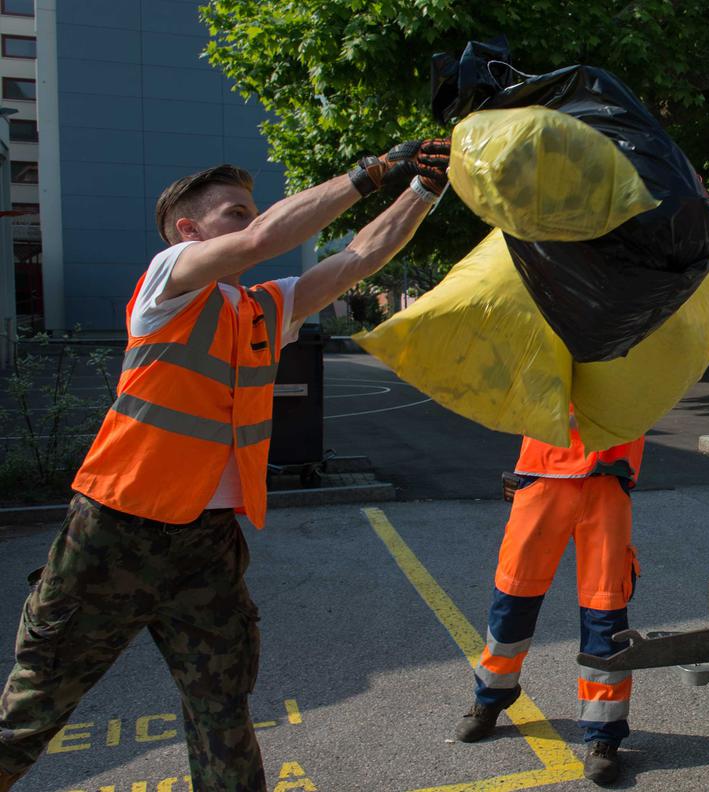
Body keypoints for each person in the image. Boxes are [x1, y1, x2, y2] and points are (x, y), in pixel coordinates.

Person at [0, 139, 450, 792]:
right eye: (235, 211)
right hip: (116, 530)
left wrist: (421, 190)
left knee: (222, 707)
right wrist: (368, 174)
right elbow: (263, 239)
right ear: (189, 231)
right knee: (34, 708)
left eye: (250, 209)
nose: (253, 219)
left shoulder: (261, 309)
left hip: (207, 540)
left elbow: (359, 258)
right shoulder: (169, 278)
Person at [457, 426, 646, 786]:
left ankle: (603, 734)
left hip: (607, 477)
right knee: (513, 598)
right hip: (543, 471)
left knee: (605, 610)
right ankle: (492, 695)